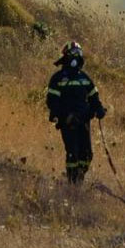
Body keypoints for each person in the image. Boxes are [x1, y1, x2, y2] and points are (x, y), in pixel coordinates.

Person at [46, 41, 106, 185]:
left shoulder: (84, 78)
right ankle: (72, 183)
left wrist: (99, 109)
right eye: (73, 54)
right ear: (66, 56)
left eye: (78, 54)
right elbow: (52, 101)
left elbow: (94, 96)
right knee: (73, 153)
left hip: (84, 121)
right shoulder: (58, 78)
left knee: (87, 155)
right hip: (68, 122)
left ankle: (79, 178)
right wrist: (61, 116)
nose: (76, 57)